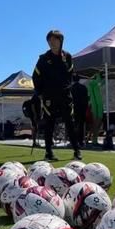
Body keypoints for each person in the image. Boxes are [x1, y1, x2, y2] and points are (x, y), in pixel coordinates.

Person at [33, 30, 81, 161]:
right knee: (49, 124)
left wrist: (68, 87)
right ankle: (49, 152)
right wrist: (40, 93)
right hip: (49, 97)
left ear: (60, 41)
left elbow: (71, 74)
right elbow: (35, 76)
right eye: (49, 41)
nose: (51, 43)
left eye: (54, 40)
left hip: (65, 96)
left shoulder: (68, 56)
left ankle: (77, 150)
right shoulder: (43, 59)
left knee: (70, 123)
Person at [71, 74, 89, 147]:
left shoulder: (71, 88)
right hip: (82, 109)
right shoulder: (84, 87)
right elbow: (86, 99)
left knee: (74, 125)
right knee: (81, 125)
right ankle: (81, 141)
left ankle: (74, 140)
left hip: (74, 109)